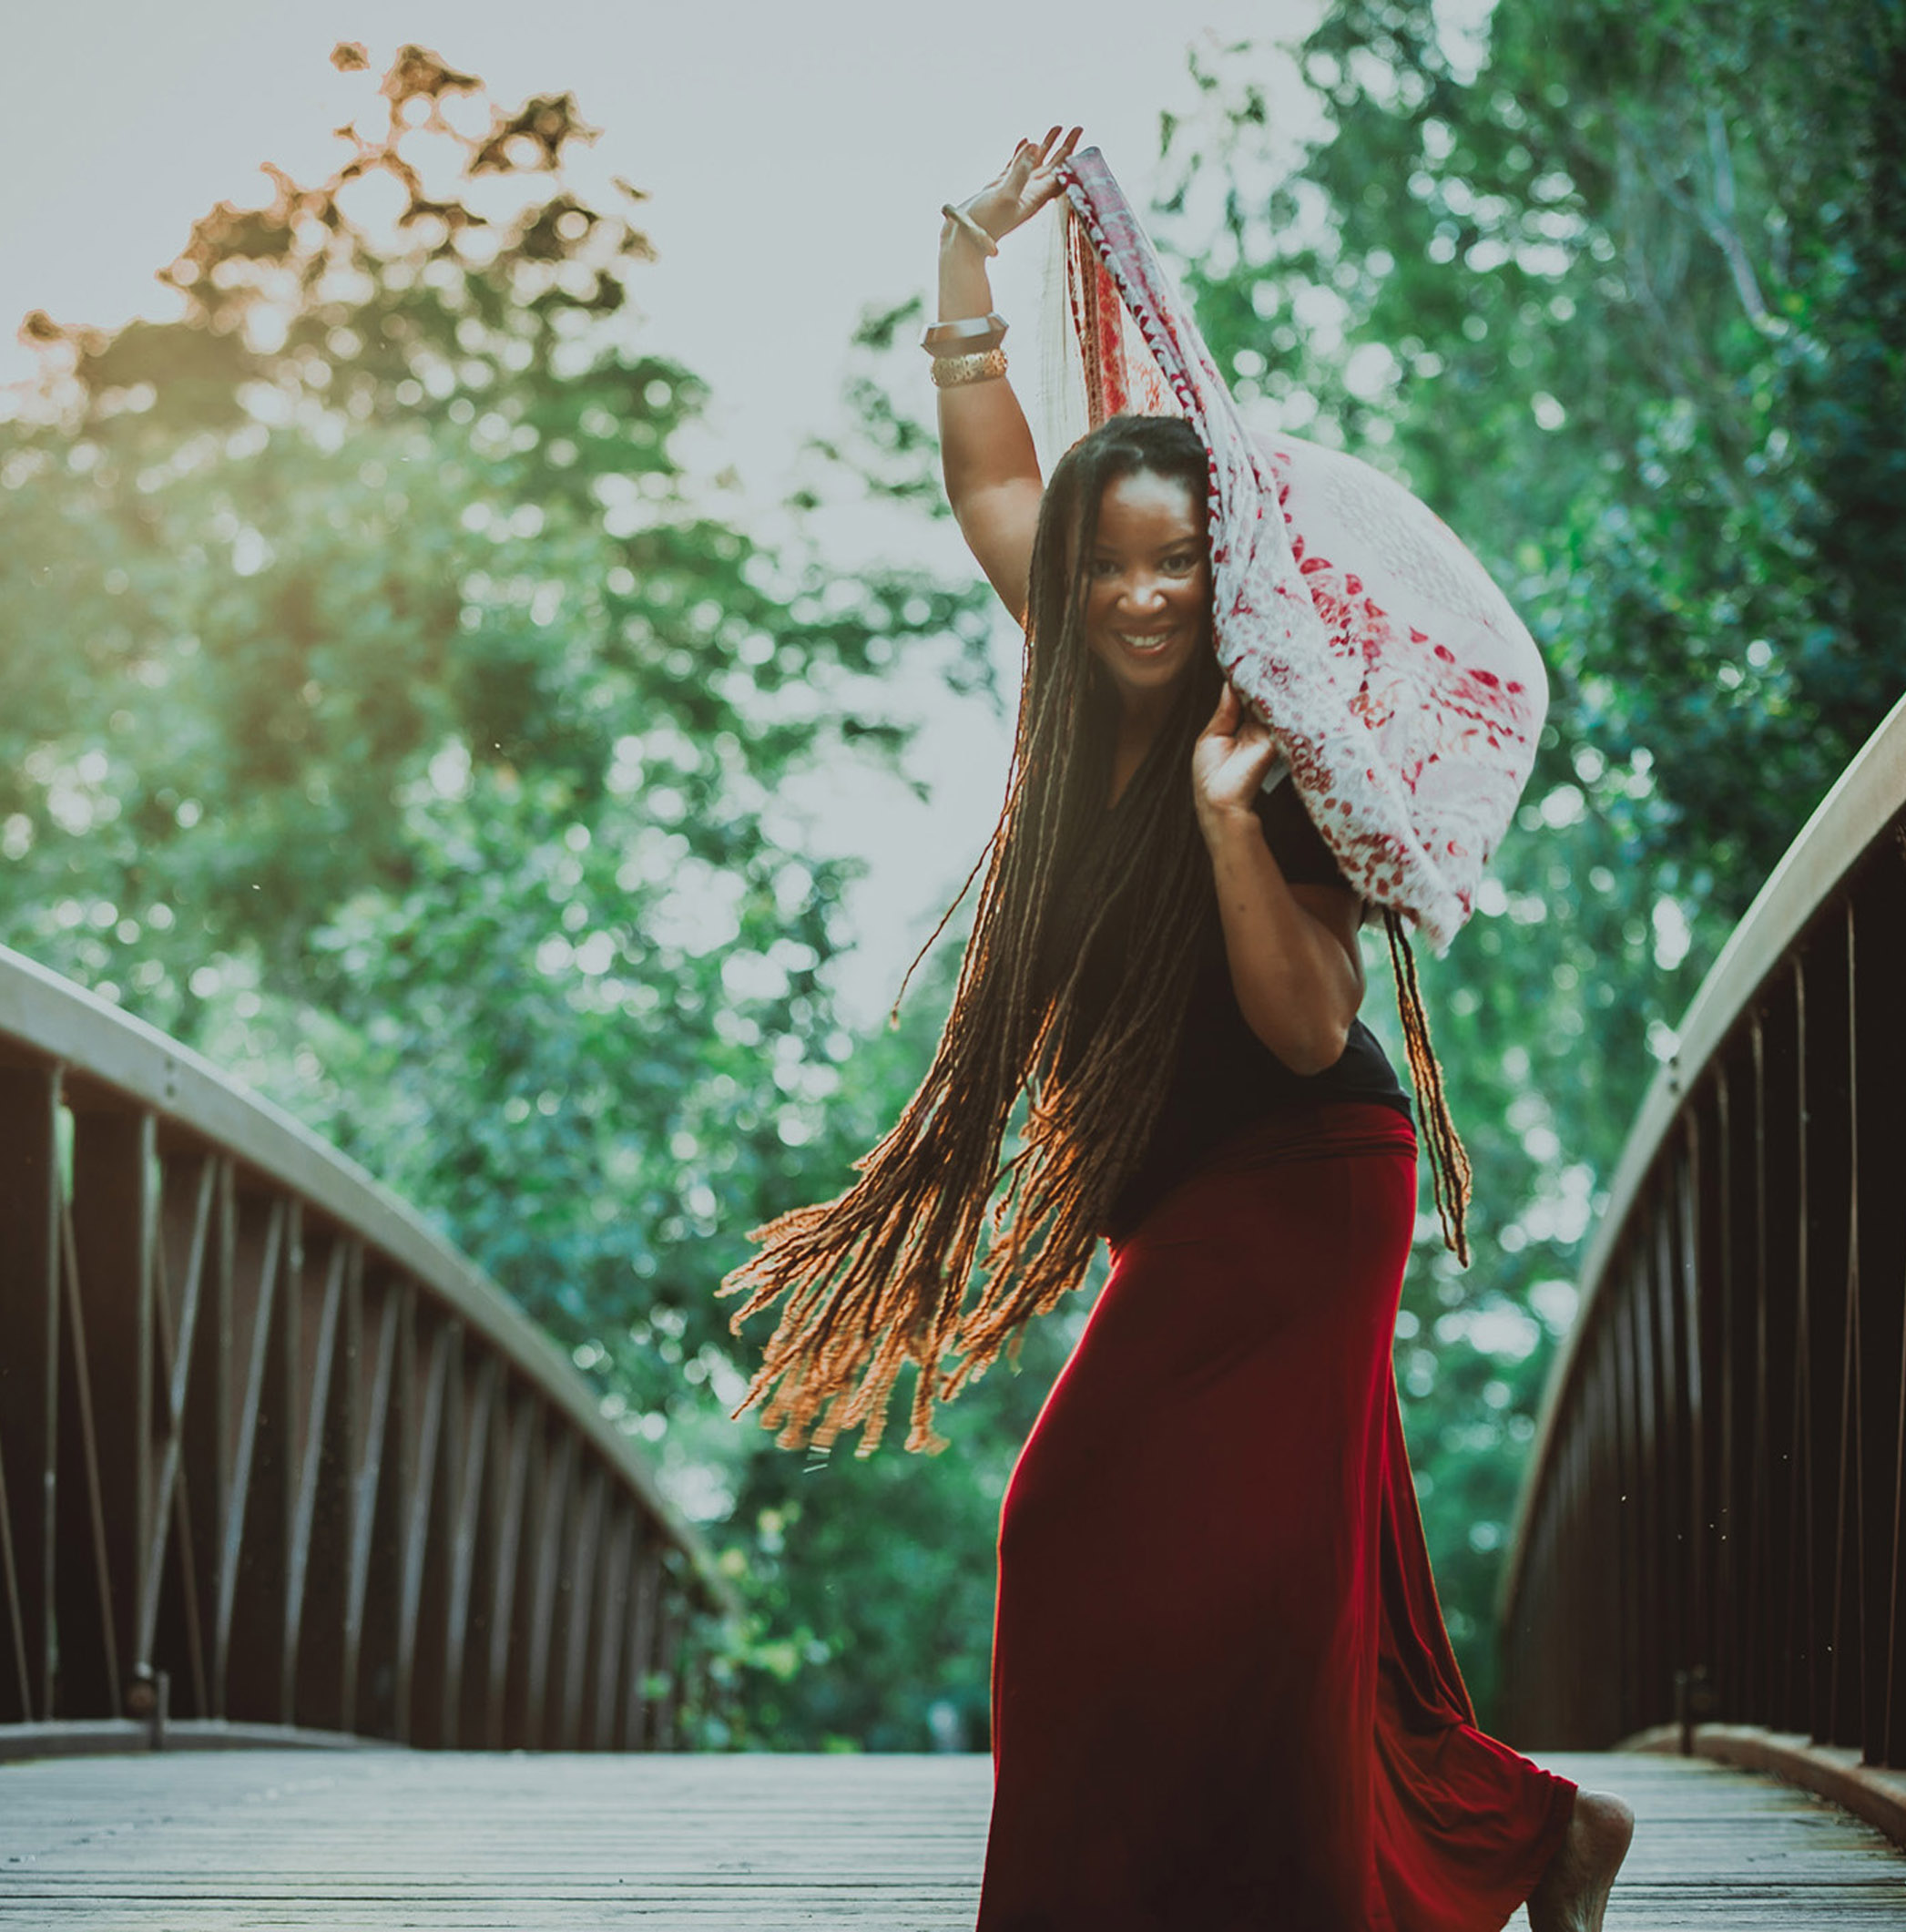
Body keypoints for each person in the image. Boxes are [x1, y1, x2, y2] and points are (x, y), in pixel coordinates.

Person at [726, 129, 1635, 1931]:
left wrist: (1231, 816)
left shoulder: (1274, 742)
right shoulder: (1070, 671)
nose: (1140, 594)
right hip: (1183, 1210)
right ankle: (1521, 1828)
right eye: (1109, 564)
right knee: (1273, 1589)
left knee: (1083, 1527)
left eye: (1174, 563)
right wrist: (961, 265)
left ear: (1221, 574)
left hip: (1299, 1184)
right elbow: (991, 477)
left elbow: (1307, 1033)